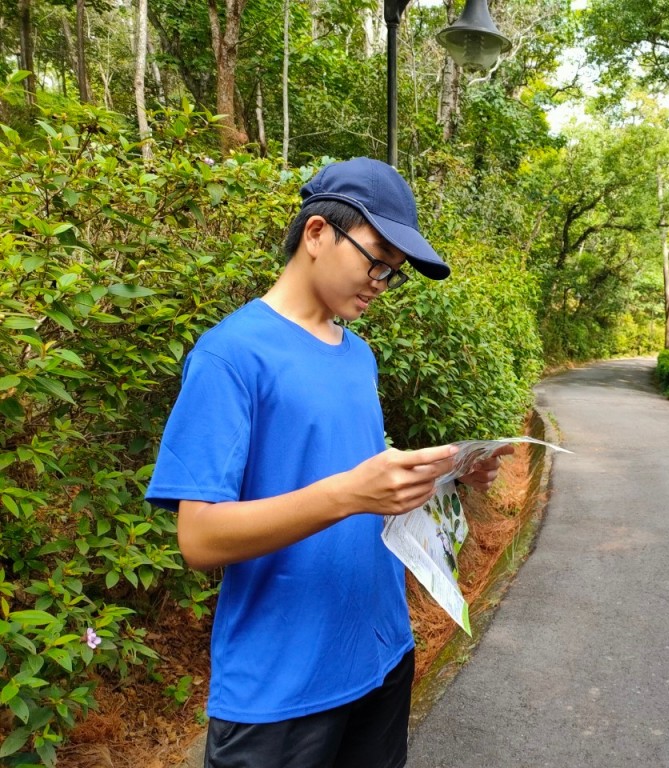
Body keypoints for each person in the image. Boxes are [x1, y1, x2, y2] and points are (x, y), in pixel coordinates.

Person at [145, 157, 512, 768]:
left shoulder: (357, 354)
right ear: (316, 233)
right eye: (375, 260)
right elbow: (199, 538)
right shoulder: (230, 355)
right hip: (281, 689)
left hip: (381, 653)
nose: (379, 282)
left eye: (392, 274)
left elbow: (363, 480)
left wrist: (448, 475)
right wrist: (351, 492)